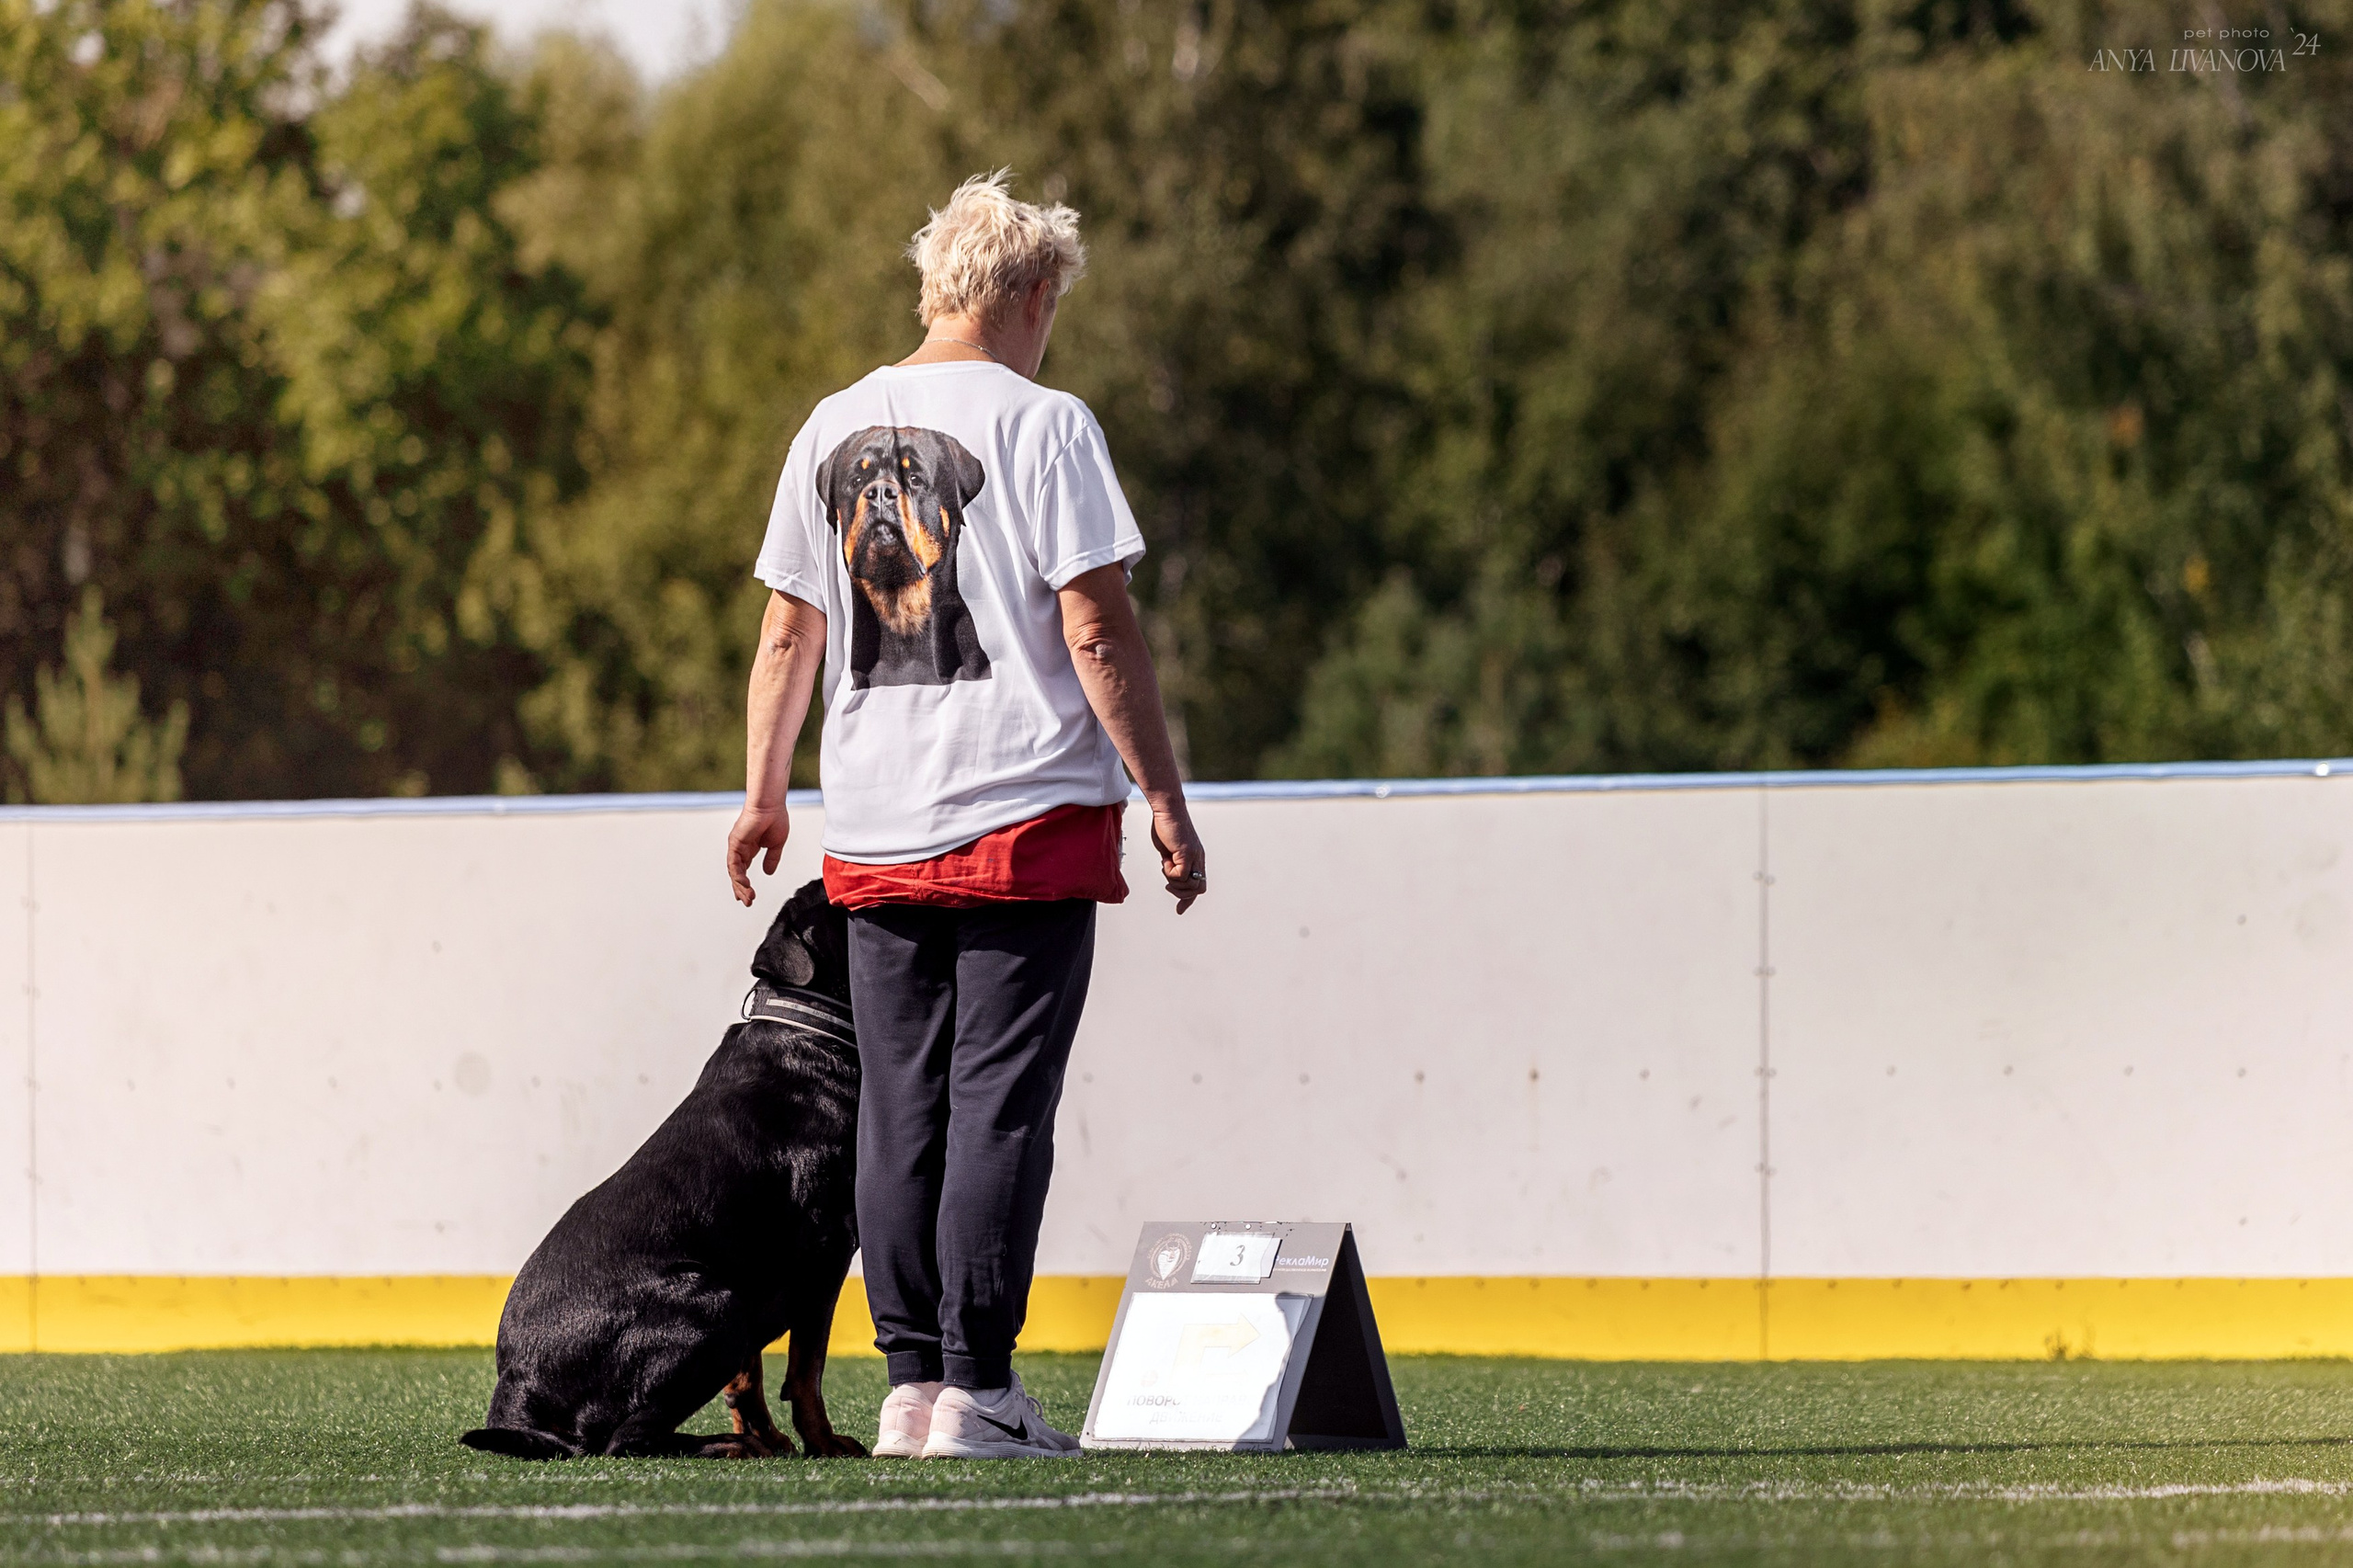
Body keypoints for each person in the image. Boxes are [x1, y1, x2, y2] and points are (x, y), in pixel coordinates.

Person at [725, 171, 1207, 1460]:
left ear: (934, 284)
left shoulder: (830, 422)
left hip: (875, 826)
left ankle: (910, 1387)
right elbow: (1096, 628)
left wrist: (767, 791)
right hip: (1024, 813)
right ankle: (982, 1388)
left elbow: (788, 631)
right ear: (1033, 292)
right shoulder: (1050, 426)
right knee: (998, 1101)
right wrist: (1162, 794)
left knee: (901, 1102)